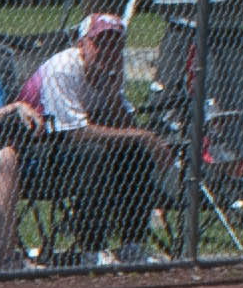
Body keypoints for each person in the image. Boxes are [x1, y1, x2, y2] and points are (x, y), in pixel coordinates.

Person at [25, 13, 162, 258]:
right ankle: (92, 248)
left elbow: (124, 125)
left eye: (115, 45)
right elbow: (76, 133)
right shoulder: (62, 70)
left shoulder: (110, 72)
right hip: (37, 149)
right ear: (81, 44)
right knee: (97, 153)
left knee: (135, 152)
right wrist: (142, 135)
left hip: (77, 148)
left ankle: (132, 245)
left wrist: (111, 94)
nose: (107, 51)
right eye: (99, 43)